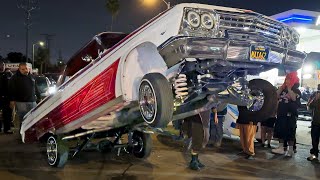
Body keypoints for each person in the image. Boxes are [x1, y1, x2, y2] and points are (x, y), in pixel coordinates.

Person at [272, 71, 301, 157]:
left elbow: (294, 98)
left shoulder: (296, 90)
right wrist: (281, 88)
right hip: (281, 114)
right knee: (280, 130)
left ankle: (291, 150)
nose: (287, 80)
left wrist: (289, 88)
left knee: (290, 132)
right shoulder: (283, 89)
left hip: (290, 115)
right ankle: (281, 148)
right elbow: (276, 96)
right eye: (286, 79)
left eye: (289, 79)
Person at [8, 63, 39, 130]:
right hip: (21, 102)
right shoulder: (14, 78)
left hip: (32, 101)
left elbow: (35, 88)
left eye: (26, 68)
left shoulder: (32, 77)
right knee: (23, 119)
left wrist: (39, 97)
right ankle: (23, 134)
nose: (25, 70)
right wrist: (12, 100)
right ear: (19, 69)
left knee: (33, 118)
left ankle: (32, 133)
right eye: (23, 69)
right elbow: (11, 90)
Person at [306, 90, 320, 161]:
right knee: (314, 140)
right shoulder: (316, 97)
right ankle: (314, 154)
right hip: (316, 122)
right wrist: (315, 99)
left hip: (316, 122)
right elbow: (309, 106)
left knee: (315, 139)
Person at [0, 65, 14, 134]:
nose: (1, 67)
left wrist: (12, 99)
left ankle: (7, 129)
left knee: (7, 114)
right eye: (0, 65)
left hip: (6, 98)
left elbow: (11, 87)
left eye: (3, 65)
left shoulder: (8, 75)